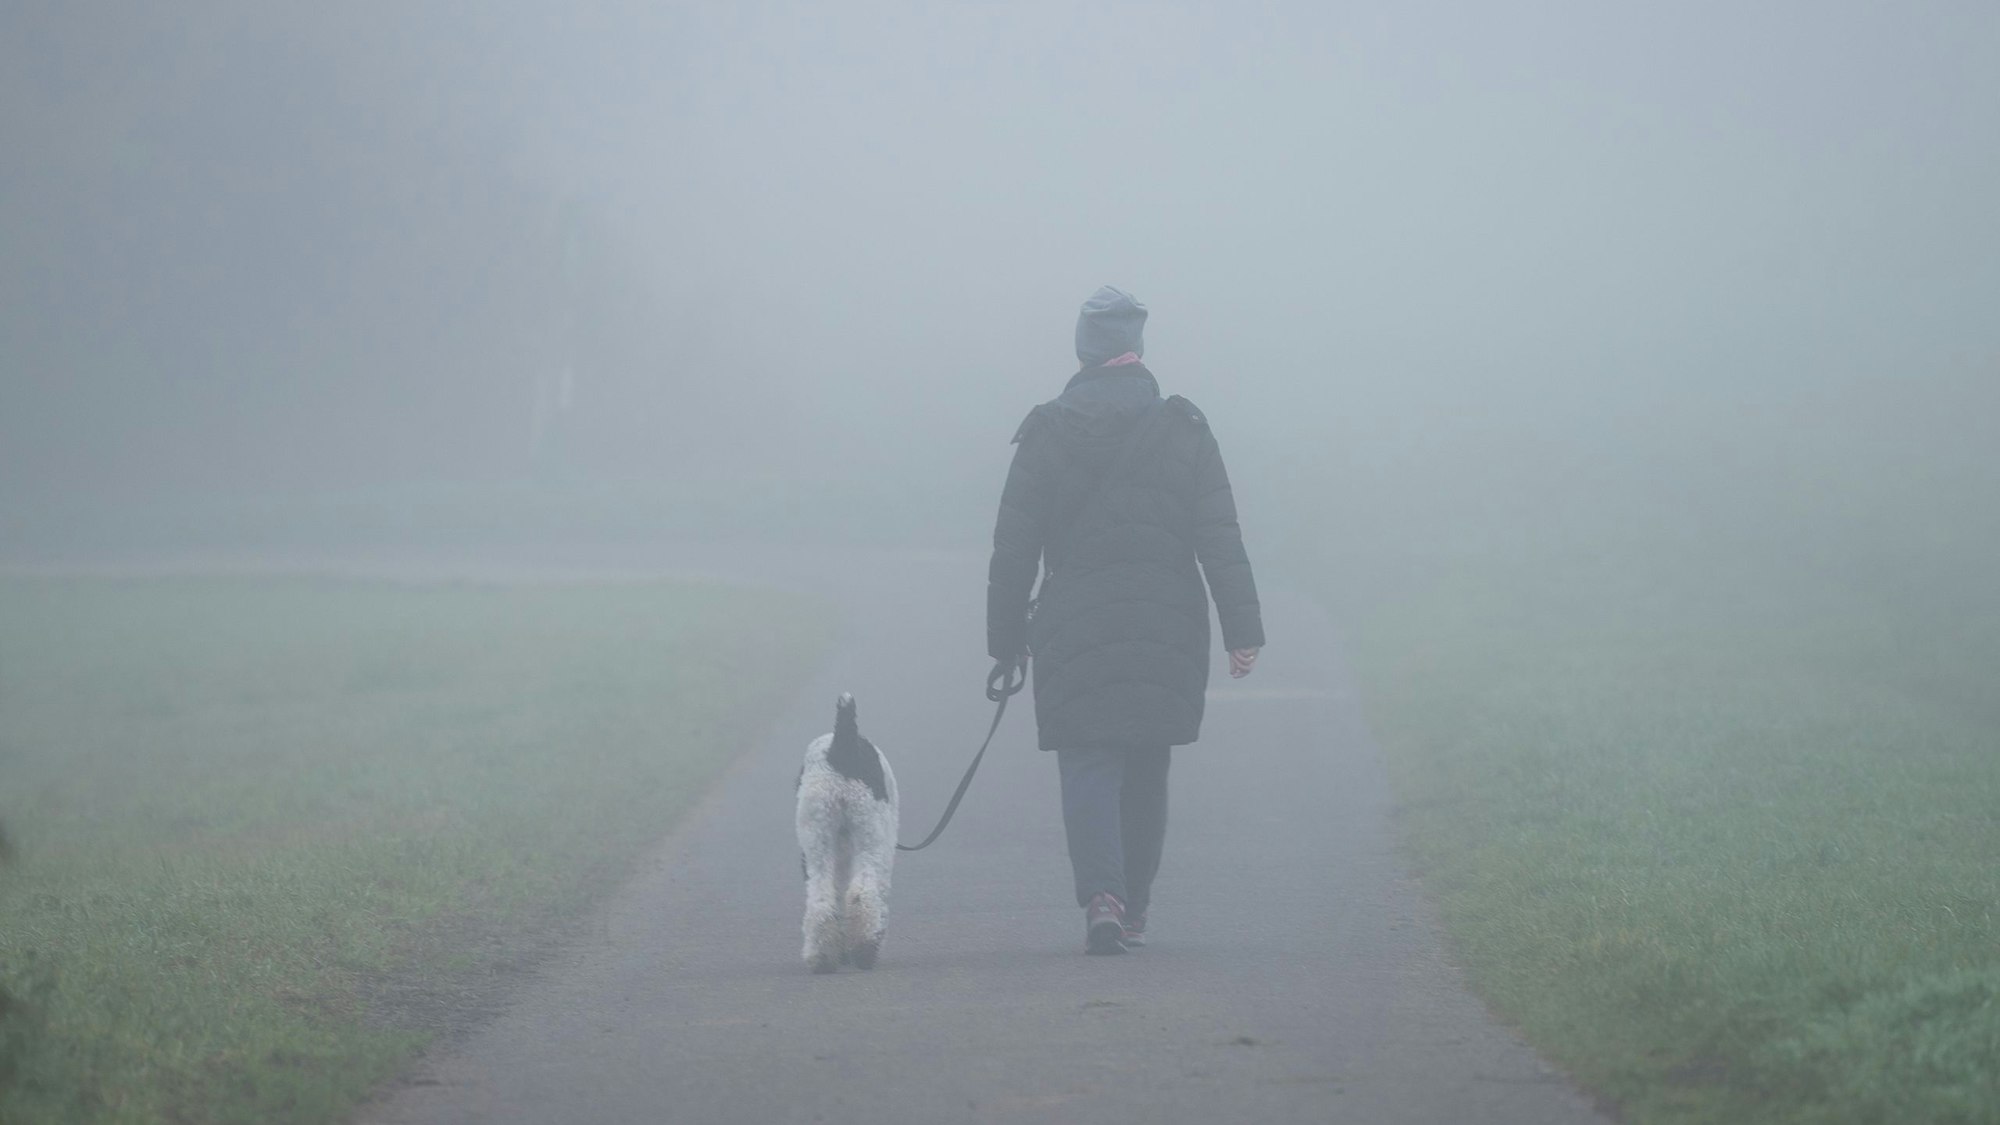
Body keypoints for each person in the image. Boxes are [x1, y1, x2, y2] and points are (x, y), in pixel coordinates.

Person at [986, 285, 1264, 955]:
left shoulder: (1048, 429)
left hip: (1075, 623)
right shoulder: (1184, 428)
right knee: (1146, 759)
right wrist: (1243, 629)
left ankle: (1102, 896)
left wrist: (1005, 642)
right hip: (1165, 622)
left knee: (1087, 758)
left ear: (1084, 348)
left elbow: (1014, 545)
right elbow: (1218, 533)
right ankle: (1134, 906)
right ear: (1136, 349)